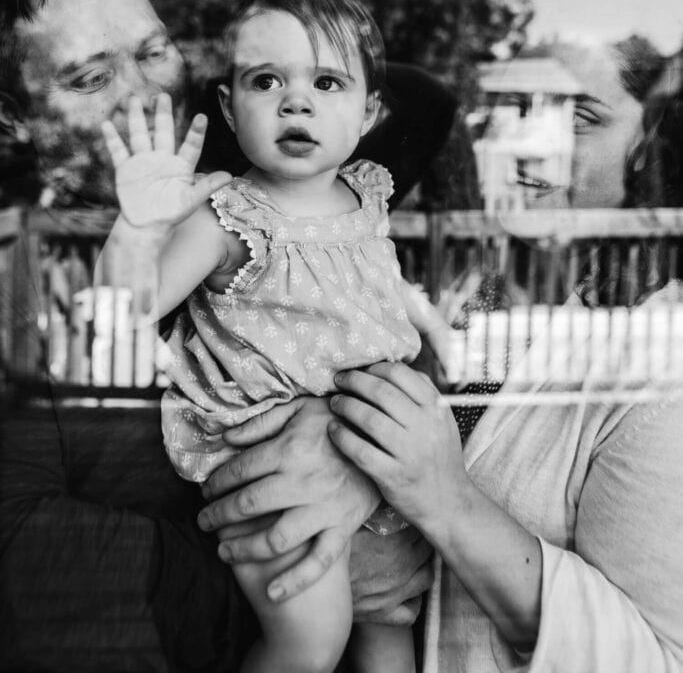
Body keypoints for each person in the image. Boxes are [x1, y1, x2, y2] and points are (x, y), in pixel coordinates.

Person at [1, 0, 450, 671]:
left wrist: (362, 453)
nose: (144, 92)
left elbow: (422, 97)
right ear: (13, 114)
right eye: (90, 78)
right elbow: (30, 560)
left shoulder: (288, 174)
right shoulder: (24, 277)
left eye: (154, 53)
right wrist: (294, 559)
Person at [197, 35, 683, 672]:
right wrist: (345, 457)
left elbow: (656, 658)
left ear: (647, 144)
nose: (529, 144)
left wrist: (442, 501)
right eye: (511, 109)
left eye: (580, 117)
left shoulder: (662, 361)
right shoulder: (449, 289)